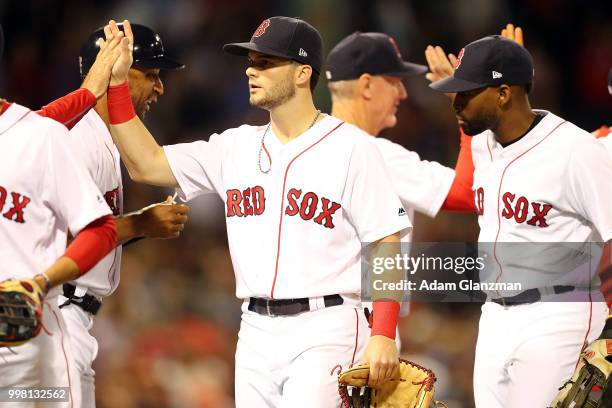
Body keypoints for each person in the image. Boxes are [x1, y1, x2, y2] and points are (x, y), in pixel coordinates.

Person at [104, 17, 411, 407]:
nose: (251, 69)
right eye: (251, 61)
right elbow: (145, 164)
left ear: (303, 73)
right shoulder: (235, 147)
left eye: (266, 63)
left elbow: (385, 241)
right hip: (253, 329)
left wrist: (383, 333)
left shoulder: (352, 147)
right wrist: (116, 84)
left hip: (327, 324)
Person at [428, 34, 612, 407]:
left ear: (503, 94)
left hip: (558, 314)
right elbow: (462, 191)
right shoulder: (482, 143)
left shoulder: (577, 151)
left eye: (466, 93)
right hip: (494, 314)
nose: (456, 102)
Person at [57, 23, 189, 407]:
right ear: (114, 67)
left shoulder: (101, 135)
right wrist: (140, 223)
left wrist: (138, 225)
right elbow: (57, 236)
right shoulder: (79, 134)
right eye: (149, 74)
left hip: (71, 316)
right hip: (56, 314)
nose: (160, 87)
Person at [0, 24, 122, 408]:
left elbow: (101, 230)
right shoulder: (38, 129)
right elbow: (66, 107)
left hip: (27, 339)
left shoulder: (36, 136)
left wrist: (42, 281)